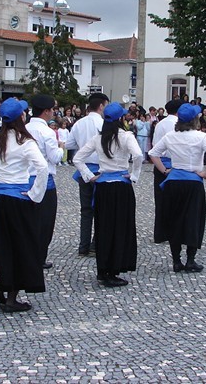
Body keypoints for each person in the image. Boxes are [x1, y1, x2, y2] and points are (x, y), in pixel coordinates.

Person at [0, 98, 48, 312]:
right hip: (18, 198)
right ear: (21, 117)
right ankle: (12, 298)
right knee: (21, 245)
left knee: (2, 244)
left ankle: (0, 288)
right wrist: (34, 194)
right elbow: (42, 167)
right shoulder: (25, 141)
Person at [74, 102, 142, 287]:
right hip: (121, 186)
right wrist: (134, 175)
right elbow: (138, 156)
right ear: (121, 118)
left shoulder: (98, 138)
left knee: (103, 227)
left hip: (103, 186)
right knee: (121, 227)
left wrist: (89, 176)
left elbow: (78, 158)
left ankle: (103, 270)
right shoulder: (126, 136)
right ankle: (114, 269)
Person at [148, 103, 206, 272]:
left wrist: (165, 170)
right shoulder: (201, 137)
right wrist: (205, 173)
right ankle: (191, 260)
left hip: (174, 181)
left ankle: (176, 260)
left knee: (175, 219)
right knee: (193, 219)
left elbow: (153, 153)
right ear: (195, 119)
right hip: (193, 182)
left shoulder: (171, 136)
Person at [65, 92, 109, 256]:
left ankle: (83, 245)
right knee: (101, 209)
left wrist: (81, 143)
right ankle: (95, 244)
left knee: (85, 209)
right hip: (100, 168)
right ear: (101, 106)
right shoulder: (104, 124)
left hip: (83, 168)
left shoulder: (79, 123)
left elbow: (69, 144)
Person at [25, 94, 64, 270]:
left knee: (29, 220)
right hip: (44, 180)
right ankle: (39, 256)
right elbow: (54, 157)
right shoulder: (47, 131)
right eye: (53, 110)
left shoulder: (24, 128)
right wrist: (61, 146)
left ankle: (27, 254)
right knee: (45, 221)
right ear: (47, 111)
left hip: (25, 179)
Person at [150, 99, 182, 243]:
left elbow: (155, 145)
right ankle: (174, 231)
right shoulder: (181, 124)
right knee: (177, 201)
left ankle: (160, 233)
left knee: (161, 200)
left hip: (160, 163)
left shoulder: (160, 124)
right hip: (176, 164)